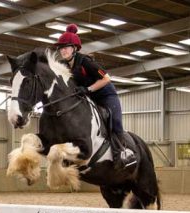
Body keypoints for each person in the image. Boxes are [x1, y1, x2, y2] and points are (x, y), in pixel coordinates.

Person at [55, 23, 137, 170]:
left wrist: (88, 89)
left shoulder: (86, 61)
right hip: (89, 98)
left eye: (66, 47)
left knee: (115, 122)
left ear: (74, 48)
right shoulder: (65, 66)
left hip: (106, 95)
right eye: (61, 48)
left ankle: (122, 153)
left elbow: (106, 79)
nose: (63, 50)